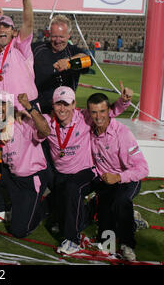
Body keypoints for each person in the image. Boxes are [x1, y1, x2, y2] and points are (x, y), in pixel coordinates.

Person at [42, 85, 132, 255]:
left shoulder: (84, 116)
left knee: (72, 190)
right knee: (67, 216)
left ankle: (72, 241)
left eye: (66, 104)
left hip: (85, 171)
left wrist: (124, 101)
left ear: (74, 104)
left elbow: (109, 112)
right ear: (53, 105)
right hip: (60, 174)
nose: (62, 108)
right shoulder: (48, 121)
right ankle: (92, 210)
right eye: (58, 104)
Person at [0, 92, 53, 238]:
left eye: (2, 105)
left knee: (19, 231)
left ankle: (47, 205)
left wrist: (29, 108)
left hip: (31, 178)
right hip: (13, 176)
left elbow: (45, 131)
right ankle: (0, 209)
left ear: (9, 107)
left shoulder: (23, 122)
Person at [87, 93, 149, 261]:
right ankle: (133, 220)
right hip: (104, 181)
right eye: (94, 112)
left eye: (102, 111)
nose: (98, 116)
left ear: (109, 111)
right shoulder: (89, 129)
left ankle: (127, 244)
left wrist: (118, 177)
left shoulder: (123, 133)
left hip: (127, 179)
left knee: (121, 202)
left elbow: (143, 169)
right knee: (105, 242)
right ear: (89, 113)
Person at [0, 0, 38, 112]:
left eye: (6, 26)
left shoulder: (19, 46)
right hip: (5, 108)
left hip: (27, 106)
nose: (1, 29)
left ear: (14, 32)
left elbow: (28, 23)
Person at [31, 14, 90, 114]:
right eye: (54, 36)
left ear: (69, 34)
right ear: (49, 34)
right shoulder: (37, 49)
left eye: (61, 37)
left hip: (64, 112)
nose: (58, 41)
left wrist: (69, 62)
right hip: (39, 110)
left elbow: (88, 61)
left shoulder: (73, 51)